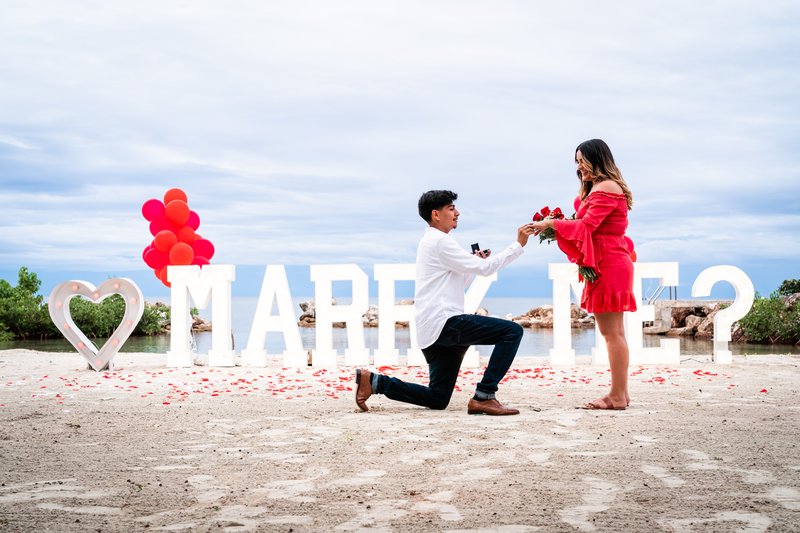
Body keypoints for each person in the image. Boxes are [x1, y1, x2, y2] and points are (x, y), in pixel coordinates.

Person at [355, 190, 537, 415]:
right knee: (512, 332)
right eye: (451, 208)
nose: (457, 212)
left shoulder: (433, 242)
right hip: (444, 324)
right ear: (436, 214)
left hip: (433, 331)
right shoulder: (439, 242)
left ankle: (374, 382)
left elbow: (457, 282)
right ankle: (484, 395)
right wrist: (518, 245)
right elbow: (487, 269)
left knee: (438, 398)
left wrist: (475, 262)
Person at [531, 139, 637, 410]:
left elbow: (588, 225)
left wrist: (551, 223)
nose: (579, 167)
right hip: (608, 259)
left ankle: (616, 395)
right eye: (576, 162)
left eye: (583, 161)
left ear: (598, 159)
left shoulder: (607, 188)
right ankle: (621, 394)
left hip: (609, 261)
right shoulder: (598, 188)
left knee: (612, 333)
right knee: (614, 332)